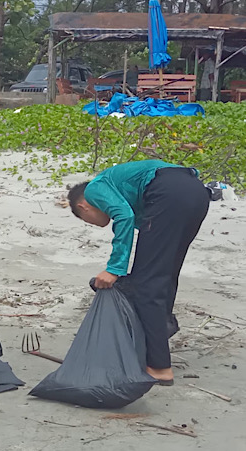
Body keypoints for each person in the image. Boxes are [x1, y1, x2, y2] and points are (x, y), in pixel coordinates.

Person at [67, 160, 210, 385]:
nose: (94, 224)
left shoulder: (94, 189)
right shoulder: (123, 188)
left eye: (87, 221)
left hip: (168, 192)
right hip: (196, 193)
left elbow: (123, 216)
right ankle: (158, 337)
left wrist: (114, 269)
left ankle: (160, 368)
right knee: (163, 275)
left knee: (147, 286)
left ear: (83, 207)